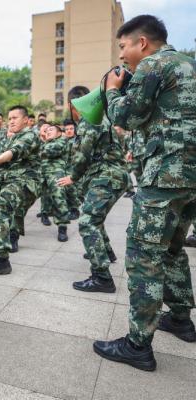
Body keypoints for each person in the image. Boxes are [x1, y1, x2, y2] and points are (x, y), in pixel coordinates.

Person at [92, 15, 196, 371]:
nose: (121, 55)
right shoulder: (189, 63)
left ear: (142, 43)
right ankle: (180, 318)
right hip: (191, 178)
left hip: (167, 175)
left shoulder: (154, 64)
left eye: (123, 46)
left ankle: (138, 344)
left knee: (144, 253)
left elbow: (128, 116)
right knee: (171, 248)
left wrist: (111, 89)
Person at [58, 86, 128, 293]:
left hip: (107, 176)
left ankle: (102, 278)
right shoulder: (100, 118)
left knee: (88, 221)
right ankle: (108, 253)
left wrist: (73, 176)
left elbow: (82, 155)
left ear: (73, 105)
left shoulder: (90, 120)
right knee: (95, 217)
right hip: (111, 175)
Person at [0, 105, 41, 277]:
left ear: (26, 120)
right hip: (5, 181)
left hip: (25, 182)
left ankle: (1, 260)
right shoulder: (9, 138)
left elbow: (14, 152)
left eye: (15, 118)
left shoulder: (30, 135)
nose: (10, 121)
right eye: (9, 118)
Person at [40, 124, 70, 242]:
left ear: (58, 133)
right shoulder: (45, 142)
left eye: (51, 130)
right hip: (42, 173)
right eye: (46, 130)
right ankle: (44, 214)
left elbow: (51, 151)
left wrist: (42, 143)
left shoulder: (62, 141)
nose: (48, 132)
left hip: (55, 173)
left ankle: (62, 227)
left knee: (59, 198)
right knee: (43, 196)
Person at [62, 119, 81, 220]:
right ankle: (70, 208)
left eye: (71, 128)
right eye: (67, 129)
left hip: (75, 170)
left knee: (72, 190)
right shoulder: (63, 141)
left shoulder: (78, 141)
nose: (69, 131)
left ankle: (75, 210)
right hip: (65, 169)